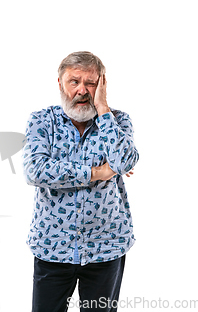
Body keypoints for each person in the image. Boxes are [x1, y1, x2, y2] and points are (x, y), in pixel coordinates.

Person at [22, 51, 139, 312]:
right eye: (74, 81)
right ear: (60, 84)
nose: (82, 90)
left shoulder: (118, 120)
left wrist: (103, 108)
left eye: (91, 83)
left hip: (106, 247)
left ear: (102, 85)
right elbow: (35, 170)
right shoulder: (42, 121)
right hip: (52, 246)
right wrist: (96, 173)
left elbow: (125, 161)